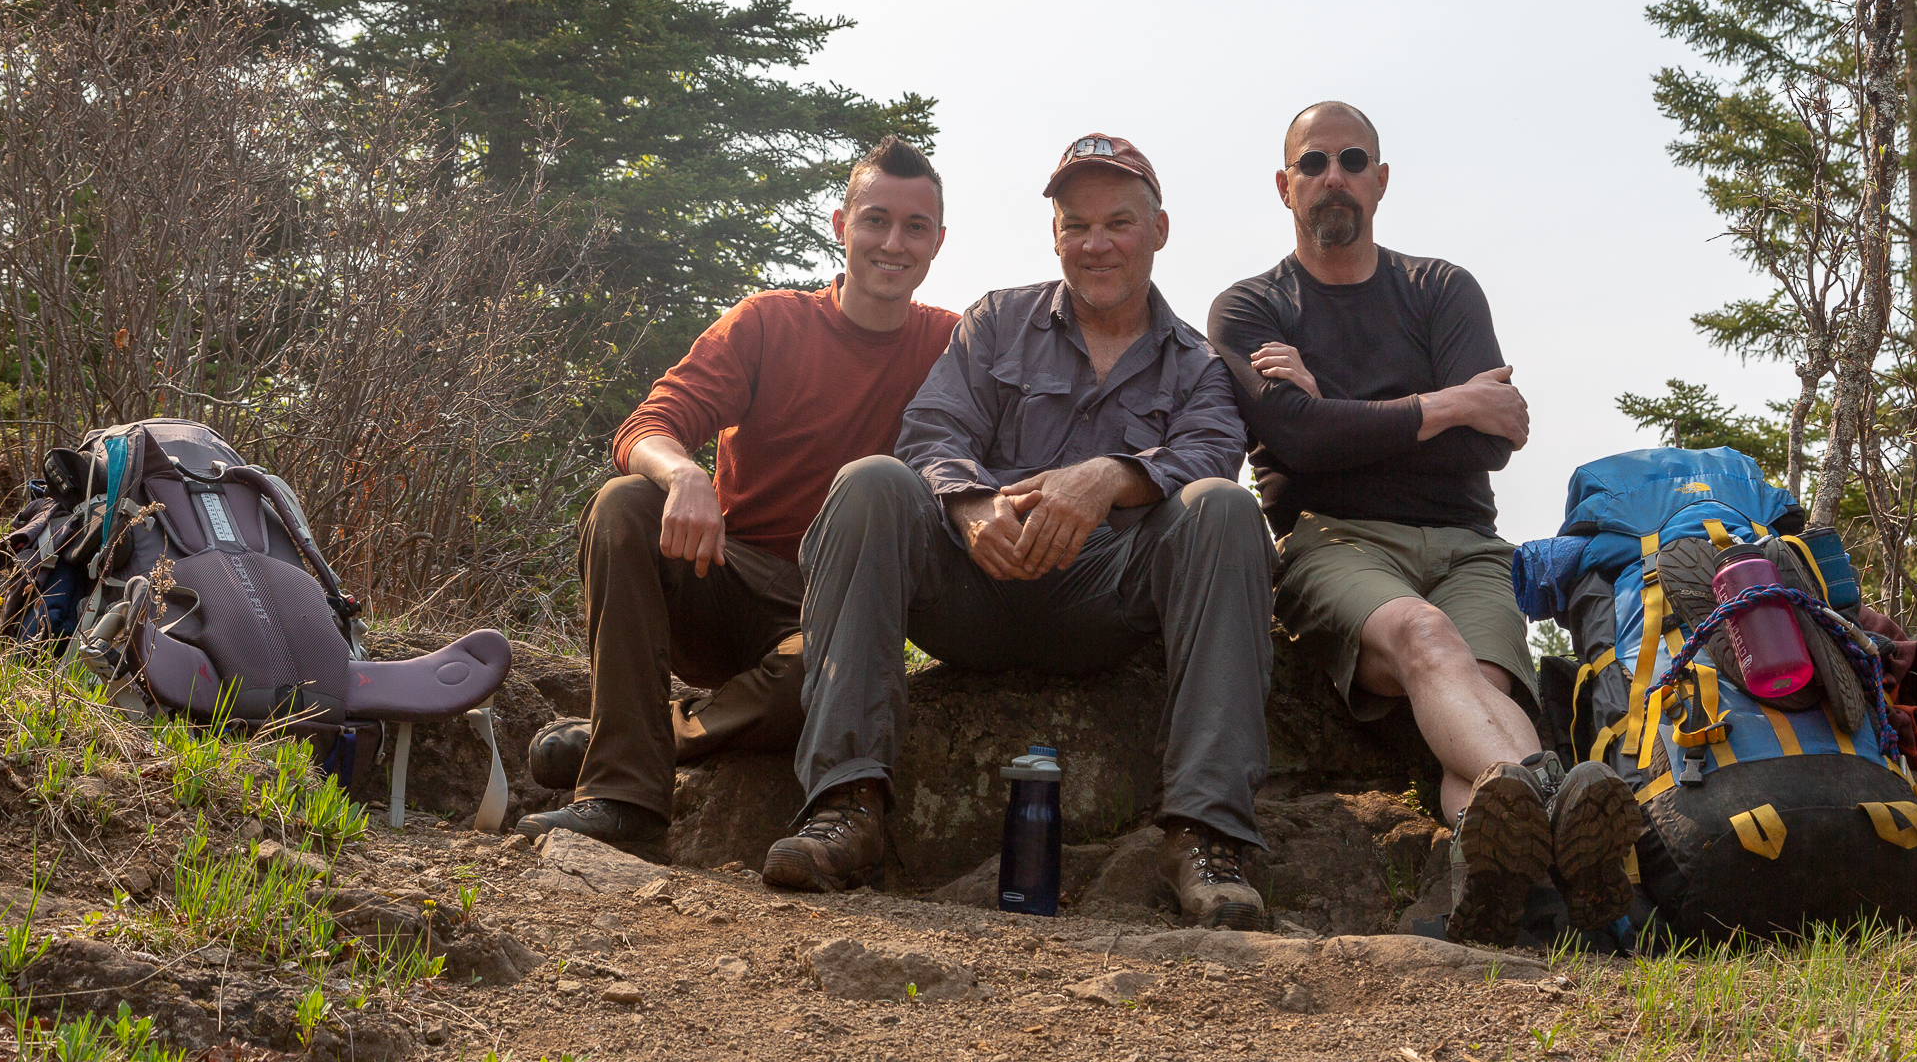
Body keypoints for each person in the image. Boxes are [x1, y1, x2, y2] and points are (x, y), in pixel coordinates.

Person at [761, 134, 1277, 929]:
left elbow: (1213, 450)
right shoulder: (997, 320)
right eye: (1076, 225)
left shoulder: (1197, 363)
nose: (1096, 244)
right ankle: (845, 808)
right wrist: (969, 508)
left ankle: (1205, 837)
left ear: (1158, 230)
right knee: (870, 481)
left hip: (1105, 601)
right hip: (973, 586)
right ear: (1054, 236)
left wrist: (1108, 478)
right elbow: (932, 431)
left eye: (1118, 223)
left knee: (1224, 506)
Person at [1205, 102, 1641, 946]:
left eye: (1351, 160)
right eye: (1312, 162)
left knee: (1481, 699)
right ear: (1284, 185)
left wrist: (1331, 406)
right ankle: (1565, 824)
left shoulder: (1442, 288)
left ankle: (1518, 887)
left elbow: (1489, 445)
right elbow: (1298, 442)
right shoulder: (1250, 307)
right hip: (1335, 539)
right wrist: (1441, 406)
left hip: (1468, 545)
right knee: (1426, 637)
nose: (1332, 176)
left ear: (1380, 180)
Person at [516, 137, 960, 850]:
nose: (892, 243)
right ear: (841, 225)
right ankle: (621, 800)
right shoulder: (767, 322)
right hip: (722, 575)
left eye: (915, 227)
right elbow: (647, 427)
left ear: (937, 242)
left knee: (822, 680)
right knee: (623, 503)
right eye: (875, 220)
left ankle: (648, 733)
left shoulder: (952, 346)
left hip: (830, 611)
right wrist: (683, 474)